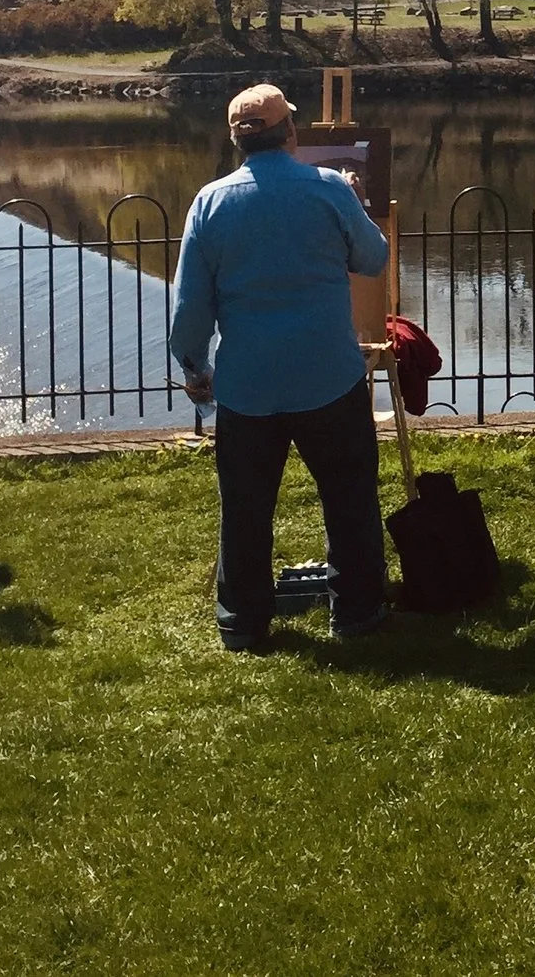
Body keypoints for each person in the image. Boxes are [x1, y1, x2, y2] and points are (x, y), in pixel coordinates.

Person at [170, 84, 391, 651]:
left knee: (245, 511)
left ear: (236, 141)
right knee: (349, 501)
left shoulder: (210, 203)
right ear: (290, 132)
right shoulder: (330, 191)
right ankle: (358, 613)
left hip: (247, 387)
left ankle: (242, 624)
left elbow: (191, 306)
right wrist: (357, 203)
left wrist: (194, 365)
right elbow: (372, 258)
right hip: (330, 378)